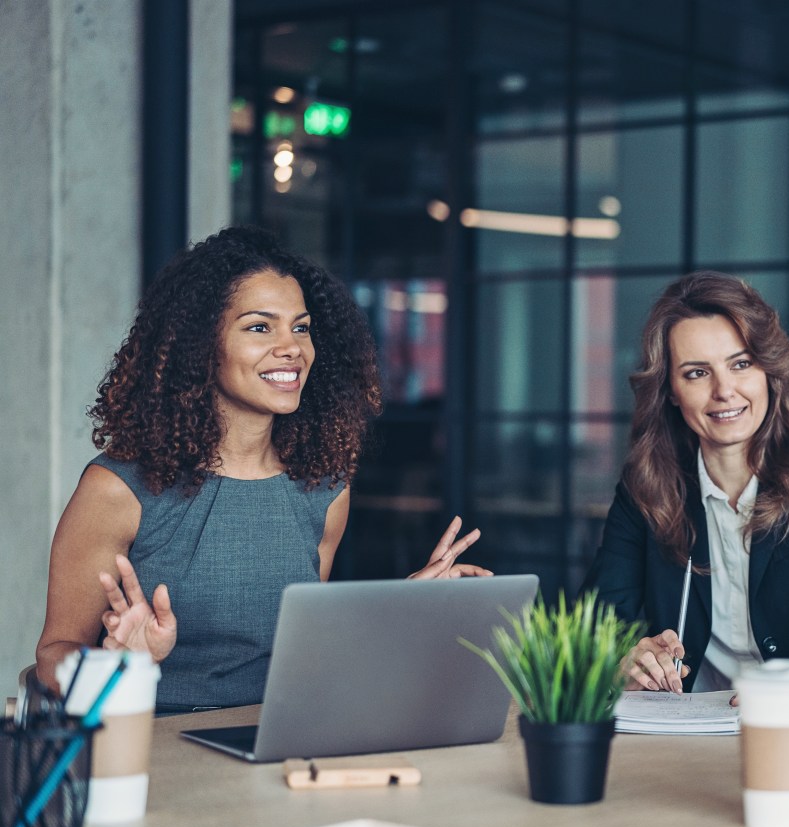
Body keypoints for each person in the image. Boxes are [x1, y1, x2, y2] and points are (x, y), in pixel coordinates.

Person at [34, 225, 488, 713]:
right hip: (153, 750)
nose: (291, 347)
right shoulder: (119, 490)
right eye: (259, 327)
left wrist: (398, 610)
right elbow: (52, 656)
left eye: (301, 327)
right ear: (200, 346)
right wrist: (118, 667)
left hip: (279, 741)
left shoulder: (324, 488)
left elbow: (305, 657)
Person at [584, 271, 789, 694]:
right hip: (681, 736)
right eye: (696, 373)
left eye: (741, 364)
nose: (724, 390)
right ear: (670, 391)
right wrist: (625, 657)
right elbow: (596, 625)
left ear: (768, 372)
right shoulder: (645, 486)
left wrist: (784, 691)